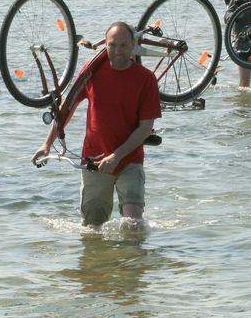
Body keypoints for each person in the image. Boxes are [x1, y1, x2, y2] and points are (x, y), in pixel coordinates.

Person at [32, 21, 161, 228]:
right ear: (105, 46)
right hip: (94, 160)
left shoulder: (146, 79)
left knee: (133, 225)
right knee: (92, 227)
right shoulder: (91, 72)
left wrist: (117, 155)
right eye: (112, 45)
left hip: (129, 160)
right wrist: (47, 144)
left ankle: (131, 260)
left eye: (123, 45)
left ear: (133, 46)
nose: (118, 50)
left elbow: (145, 127)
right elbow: (67, 108)